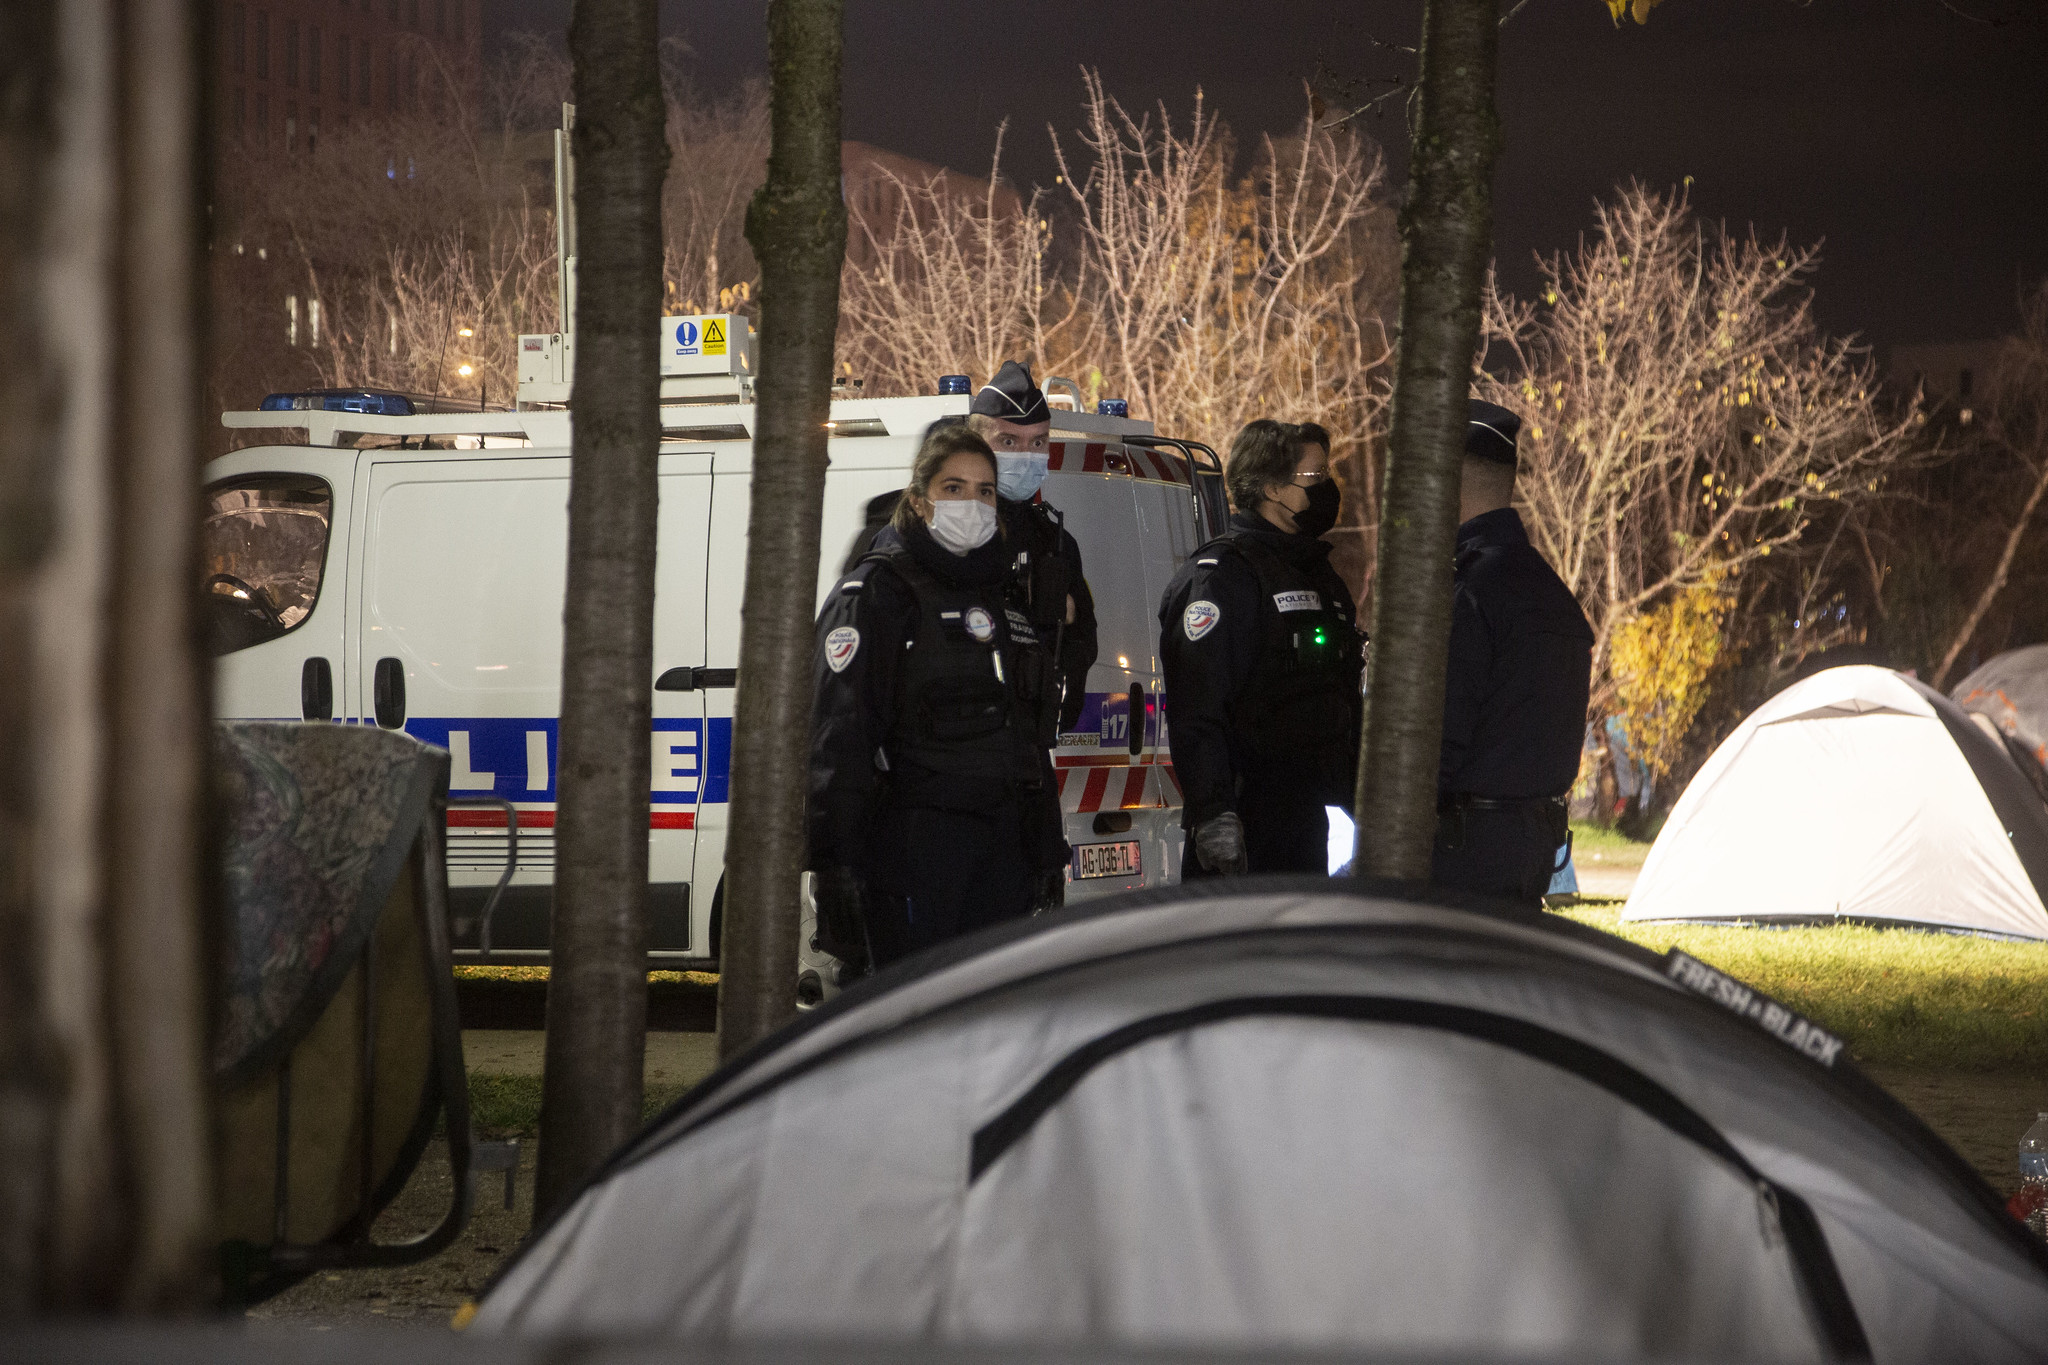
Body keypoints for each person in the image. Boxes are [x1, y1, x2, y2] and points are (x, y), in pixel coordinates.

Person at [808, 424, 1067, 971]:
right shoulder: (879, 592)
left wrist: (1045, 849)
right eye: (953, 488)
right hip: (913, 849)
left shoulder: (1001, 595)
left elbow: (1027, 738)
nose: (970, 503)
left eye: (984, 491)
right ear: (921, 500)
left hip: (1001, 851)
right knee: (914, 1024)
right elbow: (839, 736)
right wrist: (835, 868)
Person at [1157, 418, 1363, 878]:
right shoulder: (1224, 575)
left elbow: (1341, 697)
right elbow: (1197, 706)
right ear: (1271, 487)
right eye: (1315, 477)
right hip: (1243, 820)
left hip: (1307, 815)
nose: (1328, 488)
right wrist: (1214, 812)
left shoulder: (1317, 575)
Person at [1432, 399, 1595, 914]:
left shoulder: (1469, 592)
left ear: (1448, 478)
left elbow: (1439, 741)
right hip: (1530, 846)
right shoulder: (1548, 590)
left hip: (1461, 854)